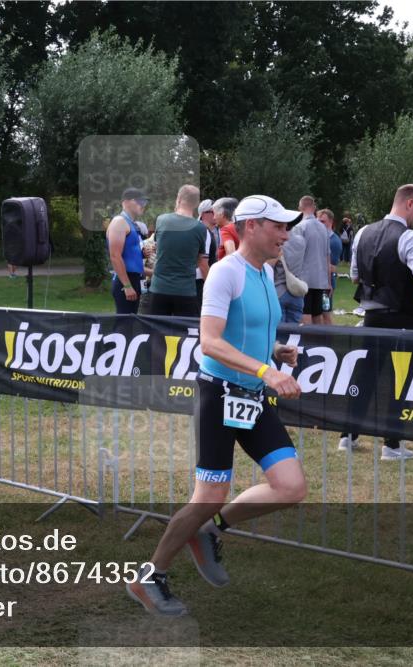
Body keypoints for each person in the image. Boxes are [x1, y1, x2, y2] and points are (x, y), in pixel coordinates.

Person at [126, 195, 305, 616]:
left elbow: (246, 329)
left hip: (253, 398)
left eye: (286, 227)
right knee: (207, 495)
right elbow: (210, 341)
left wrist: (275, 350)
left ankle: (209, 529)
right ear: (251, 227)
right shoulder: (226, 273)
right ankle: (148, 577)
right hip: (220, 394)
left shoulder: (266, 272)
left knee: (291, 486)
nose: (285, 233)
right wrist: (267, 371)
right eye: (277, 226)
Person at [341, 184, 413, 459]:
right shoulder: (409, 237)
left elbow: (355, 276)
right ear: (409, 204)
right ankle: (392, 444)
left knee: (364, 377)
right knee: (401, 381)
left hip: (372, 317)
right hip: (403, 318)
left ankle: (348, 435)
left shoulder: (363, 232)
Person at [148, 185, 209, 317]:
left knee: (156, 333)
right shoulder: (200, 228)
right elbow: (200, 261)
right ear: (196, 204)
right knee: (184, 335)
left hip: (159, 288)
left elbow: (158, 247)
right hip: (185, 291)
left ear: (179, 198)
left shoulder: (161, 220)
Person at [283, 195, 331, 324]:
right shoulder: (323, 228)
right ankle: (318, 342)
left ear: (300, 208)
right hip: (321, 279)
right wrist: (329, 281)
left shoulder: (300, 226)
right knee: (317, 313)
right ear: (314, 207)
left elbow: (295, 254)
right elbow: (327, 255)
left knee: (305, 312)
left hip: (304, 278)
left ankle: (307, 342)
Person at [106, 188, 150, 314]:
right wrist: (127, 286)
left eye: (145, 202)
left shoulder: (131, 224)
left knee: (130, 323)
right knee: (124, 325)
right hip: (125, 280)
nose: (143, 205)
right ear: (127, 202)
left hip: (134, 278)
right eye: (140, 201)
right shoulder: (119, 222)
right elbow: (115, 256)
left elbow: (128, 254)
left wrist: (142, 254)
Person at [317, 207, 343, 325]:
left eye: (323, 221)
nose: (320, 224)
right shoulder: (322, 238)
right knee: (319, 314)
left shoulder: (334, 241)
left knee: (325, 314)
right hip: (319, 282)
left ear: (331, 222)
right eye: (318, 221)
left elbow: (332, 267)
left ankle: (329, 340)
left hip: (327, 284)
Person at [196, 199, 219, 312]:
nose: (217, 214)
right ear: (204, 214)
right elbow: (203, 264)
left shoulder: (207, 231)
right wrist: (212, 287)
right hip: (200, 281)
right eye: (214, 211)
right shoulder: (204, 231)